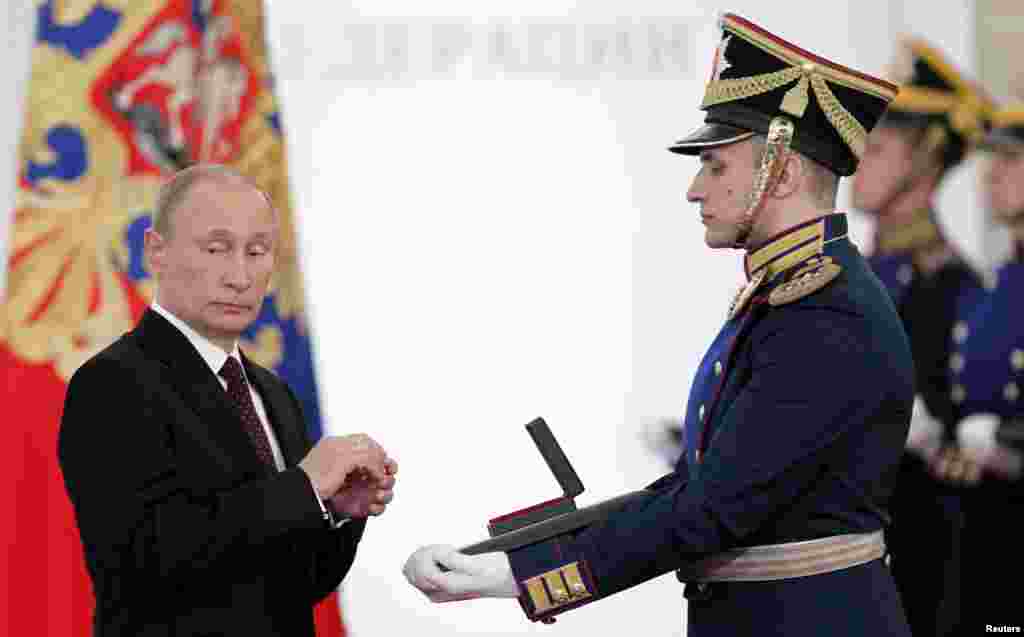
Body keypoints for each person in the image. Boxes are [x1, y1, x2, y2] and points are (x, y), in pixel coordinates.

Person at [403, 13, 913, 636]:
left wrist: (518, 577)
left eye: (717, 167)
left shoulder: (825, 312)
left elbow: (712, 509)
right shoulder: (787, 298)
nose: (695, 190)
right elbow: (697, 487)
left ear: (779, 174)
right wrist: (507, 561)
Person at [58, 164, 397, 637]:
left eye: (257, 252)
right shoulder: (112, 382)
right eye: (216, 249)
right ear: (157, 252)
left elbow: (294, 583)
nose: (239, 276)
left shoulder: (273, 393)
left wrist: (336, 511)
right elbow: (145, 562)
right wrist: (301, 488)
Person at [849, 39, 992, 637]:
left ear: (928, 155)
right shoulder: (853, 274)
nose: (856, 160)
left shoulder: (951, 291)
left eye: (877, 147)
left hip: (910, 576)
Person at [932, 104, 1024, 632]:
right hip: (982, 539)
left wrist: (1007, 443)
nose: (993, 174)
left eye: (1012, 160)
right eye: (993, 159)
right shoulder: (995, 283)